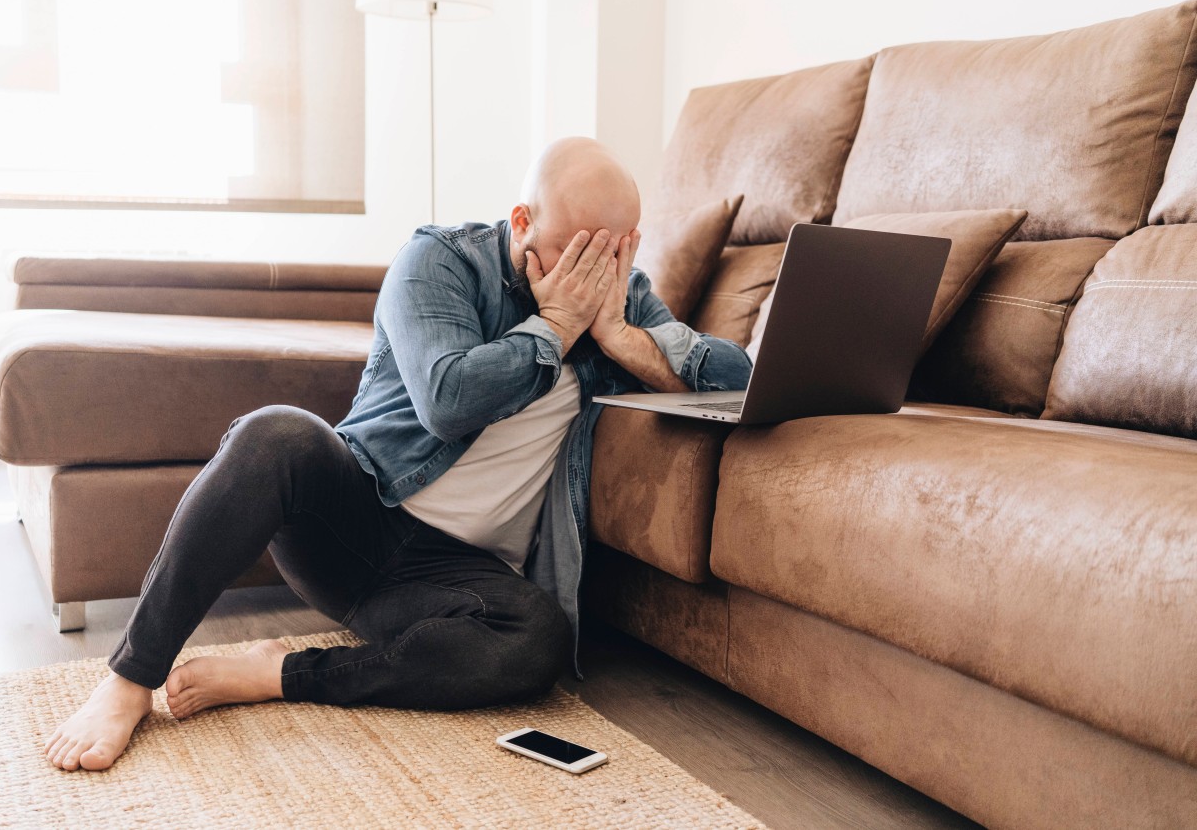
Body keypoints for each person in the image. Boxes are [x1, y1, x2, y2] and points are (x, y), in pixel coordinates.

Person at [43, 137, 753, 772]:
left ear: (629, 244)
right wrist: (557, 327)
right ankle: (130, 679)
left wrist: (624, 338)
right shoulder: (440, 260)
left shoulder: (622, 301)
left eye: (607, 256)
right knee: (275, 432)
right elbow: (449, 399)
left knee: (538, 638)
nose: (584, 274)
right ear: (522, 221)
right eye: (568, 251)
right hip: (357, 518)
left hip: (452, 577)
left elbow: (740, 377)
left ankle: (281, 672)